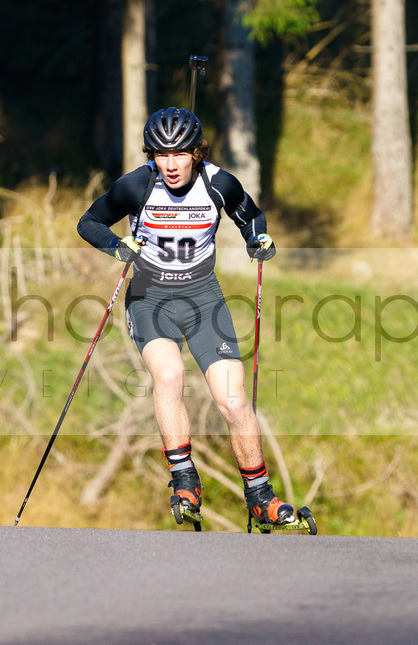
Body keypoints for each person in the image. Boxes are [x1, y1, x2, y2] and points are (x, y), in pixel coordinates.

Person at [76, 106, 293, 527]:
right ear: (151, 155)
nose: (171, 165)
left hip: (203, 297)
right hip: (149, 294)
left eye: (179, 154)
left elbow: (251, 216)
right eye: (161, 154)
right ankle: (184, 479)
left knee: (233, 400)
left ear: (196, 152)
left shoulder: (219, 183)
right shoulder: (136, 186)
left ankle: (260, 495)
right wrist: (118, 246)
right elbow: (89, 222)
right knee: (170, 374)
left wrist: (257, 239)